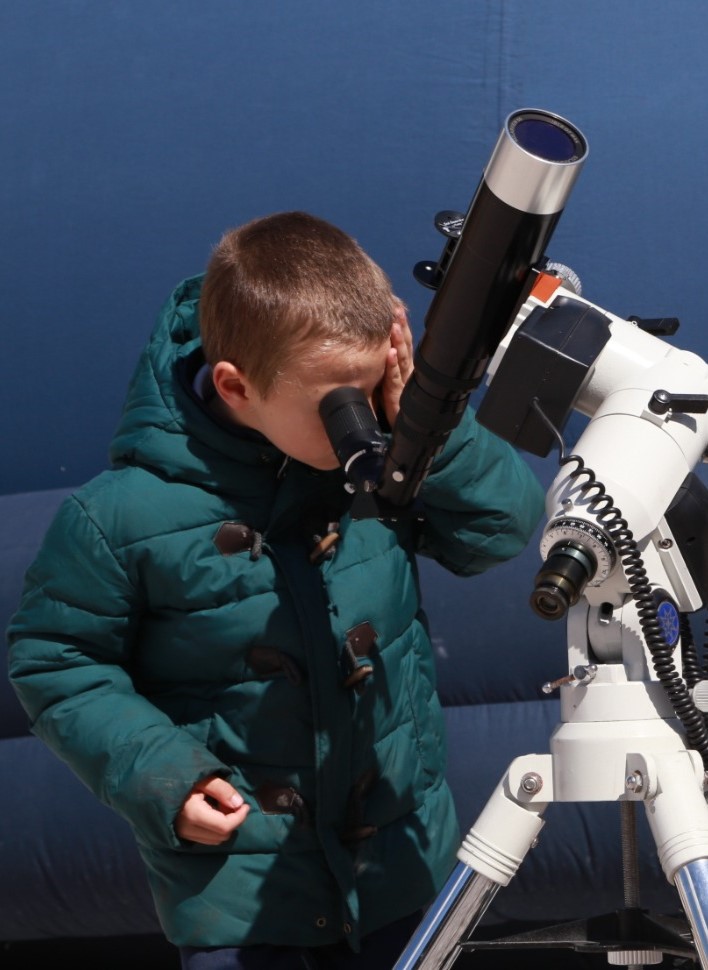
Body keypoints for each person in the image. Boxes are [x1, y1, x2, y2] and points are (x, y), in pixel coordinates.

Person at [7, 211, 545, 969]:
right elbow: (56, 659)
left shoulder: (382, 463)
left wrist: (428, 422)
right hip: (243, 889)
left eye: (373, 389)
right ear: (236, 385)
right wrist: (163, 778)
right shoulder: (120, 516)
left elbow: (502, 527)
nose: (362, 423)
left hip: (397, 869)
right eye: (337, 403)